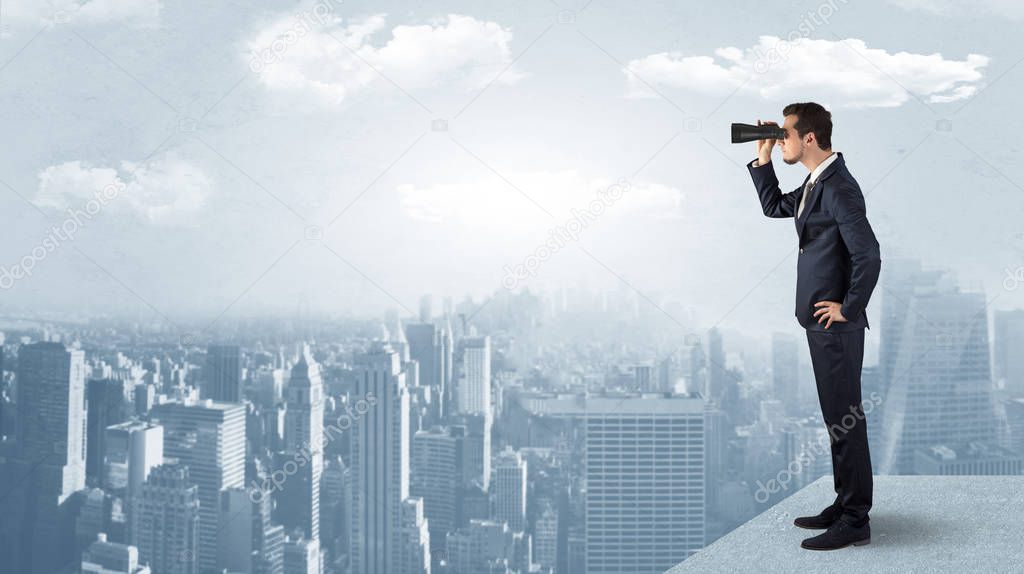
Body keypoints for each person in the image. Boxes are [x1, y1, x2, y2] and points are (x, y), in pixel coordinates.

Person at [747, 102, 881, 551]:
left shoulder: (839, 187)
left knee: (846, 421)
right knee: (835, 420)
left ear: (809, 138)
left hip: (835, 327)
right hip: (819, 324)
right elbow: (772, 207)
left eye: (785, 133)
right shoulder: (813, 183)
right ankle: (845, 504)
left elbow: (869, 253)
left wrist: (849, 306)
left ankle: (856, 519)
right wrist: (764, 158)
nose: (781, 139)